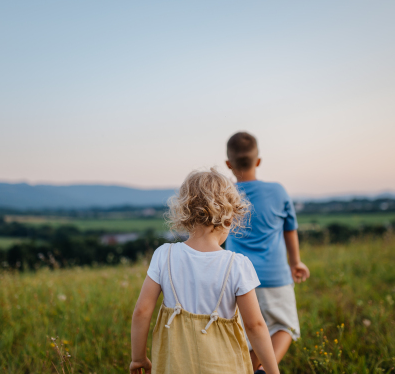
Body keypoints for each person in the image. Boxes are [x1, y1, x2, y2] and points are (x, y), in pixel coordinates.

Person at [129, 168, 280, 374]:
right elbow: (255, 325)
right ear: (229, 218)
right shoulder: (237, 264)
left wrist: (139, 358)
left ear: (185, 214)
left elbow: (141, 311)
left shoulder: (164, 255)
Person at [225, 131, 310, 374]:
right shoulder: (278, 191)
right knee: (284, 327)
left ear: (228, 164)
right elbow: (290, 229)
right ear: (258, 161)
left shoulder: (225, 195)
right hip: (275, 276)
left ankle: (253, 369)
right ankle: (259, 370)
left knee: (248, 333)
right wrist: (296, 262)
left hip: (237, 279)